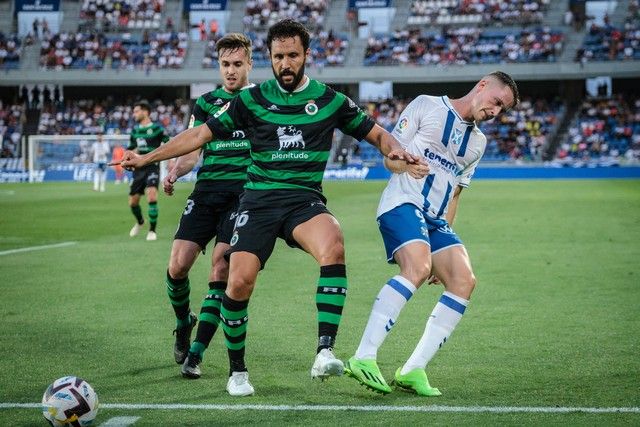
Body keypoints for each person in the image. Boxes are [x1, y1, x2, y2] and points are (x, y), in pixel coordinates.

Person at [120, 19, 419, 397]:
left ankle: (324, 350)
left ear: (307, 55)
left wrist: (394, 150)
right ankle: (237, 372)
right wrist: (148, 158)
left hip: (302, 201)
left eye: (293, 55)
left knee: (334, 243)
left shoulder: (330, 100)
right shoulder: (250, 100)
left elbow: (376, 134)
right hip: (257, 202)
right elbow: (198, 136)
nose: (286, 63)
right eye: (279, 57)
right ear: (270, 58)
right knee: (238, 281)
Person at [344, 71, 519, 396]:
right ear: (482, 85)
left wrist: (444, 242)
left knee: (464, 281)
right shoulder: (427, 106)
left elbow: (455, 194)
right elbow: (389, 159)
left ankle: (412, 370)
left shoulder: (477, 143)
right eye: (497, 101)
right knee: (418, 268)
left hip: (436, 221)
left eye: (503, 109)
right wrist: (405, 165)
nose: (496, 112)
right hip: (402, 202)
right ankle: (363, 356)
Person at [160, 33, 253, 379]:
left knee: (220, 268)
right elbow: (193, 149)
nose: (230, 71)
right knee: (178, 266)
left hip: (243, 196)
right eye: (225, 64)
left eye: (237, 64)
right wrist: (175, 171)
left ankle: (195, 354)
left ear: (249, 64)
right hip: (206, 192)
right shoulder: (206, 102)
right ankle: (184, 323)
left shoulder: (259, 101)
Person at [127, 100, 170, 241]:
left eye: (136, 111)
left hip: (152, 166)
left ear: (145, 112)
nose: (134, 114)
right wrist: (128, 159)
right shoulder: (135, 130)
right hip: (138, 168)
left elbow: (168, 143)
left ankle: (152, 230)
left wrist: (171, 161)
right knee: (133, 202)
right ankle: (140, 222)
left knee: (151, 196)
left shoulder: (157, 129)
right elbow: (132, 148)